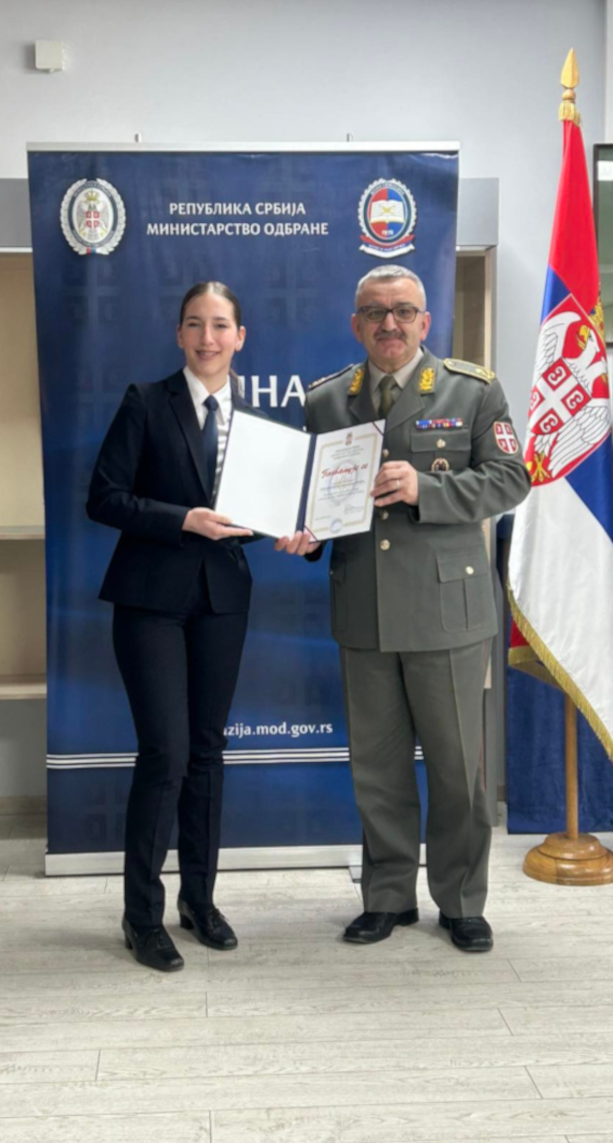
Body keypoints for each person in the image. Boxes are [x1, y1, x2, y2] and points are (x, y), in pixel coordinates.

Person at [278, 265, 530, 952]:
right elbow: (315, 501)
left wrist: (427, 489)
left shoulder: (472, 389)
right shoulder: (326, 399)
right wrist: (306, 535)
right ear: (355, 323)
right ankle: (387, 896)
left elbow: (511, 478)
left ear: (425, 320)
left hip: (448, 610)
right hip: (364, 609)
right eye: (374, 312)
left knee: (457, 771)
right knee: (377, 770)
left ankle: (461, 901)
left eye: (402, 311)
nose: (388, 323)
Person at [87, 281, 256, 973]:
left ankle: (199, 902)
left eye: (219, 325)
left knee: (208, 753)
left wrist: (299, 532)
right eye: (194, 324)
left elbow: (263, 510)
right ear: (179, 334)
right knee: (167, 753)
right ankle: (141, 916)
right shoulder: (145, 400)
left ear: (239, 336)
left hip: (223, 598)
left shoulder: (258, 420)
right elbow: (104, 497)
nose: (207, 337)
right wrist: (181, 518)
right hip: (150, 599)